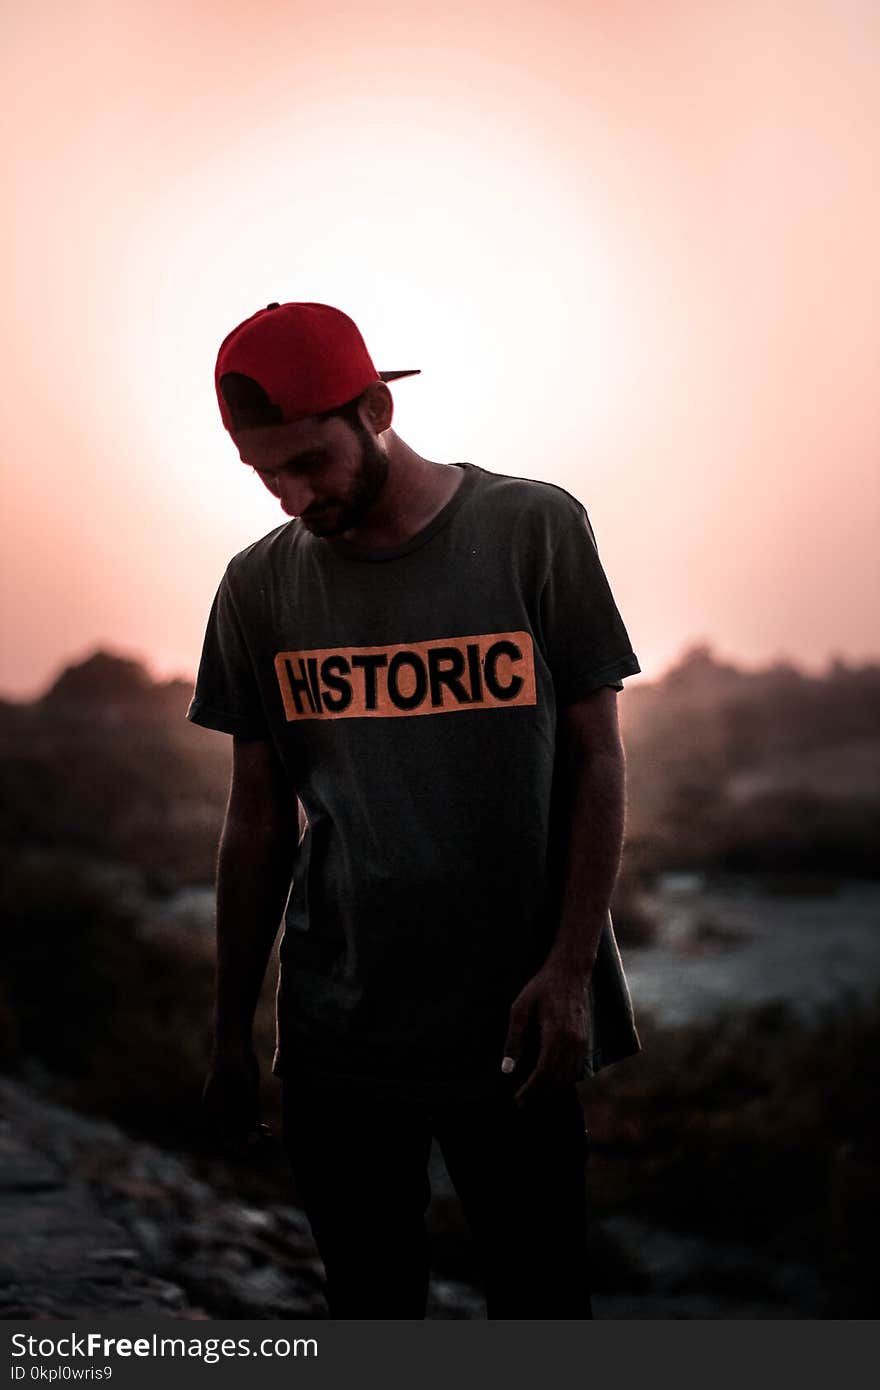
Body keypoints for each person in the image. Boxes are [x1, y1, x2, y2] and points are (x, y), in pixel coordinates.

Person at [189, 301, 642, 1319]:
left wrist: (568, 973)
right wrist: (228, 1030)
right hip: (336, 1026)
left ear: (375, 407)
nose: (296, 496)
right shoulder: (257, 586)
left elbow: (597, 762)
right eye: (268, 476)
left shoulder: (532, 529)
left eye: (310, 461)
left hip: (514, 1024)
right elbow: (257, 820)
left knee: (539, 1301)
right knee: (370, 1305)